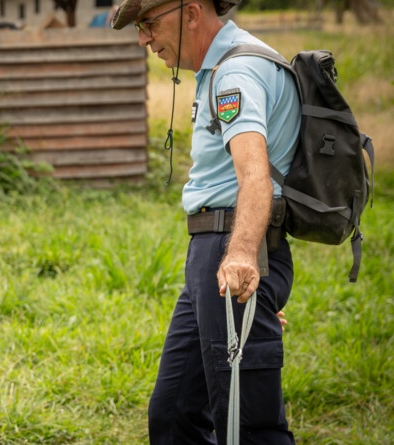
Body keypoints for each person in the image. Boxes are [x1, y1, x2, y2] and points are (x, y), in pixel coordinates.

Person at [112, 1, 299, 443]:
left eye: (149, 24)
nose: (144, 39)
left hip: (228, 249)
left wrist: (242, 257)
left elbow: (254, 174)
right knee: (175, 412)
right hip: (212, 256)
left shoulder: (234, 73)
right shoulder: (223, 66)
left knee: (246, 425)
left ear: (191, 13)